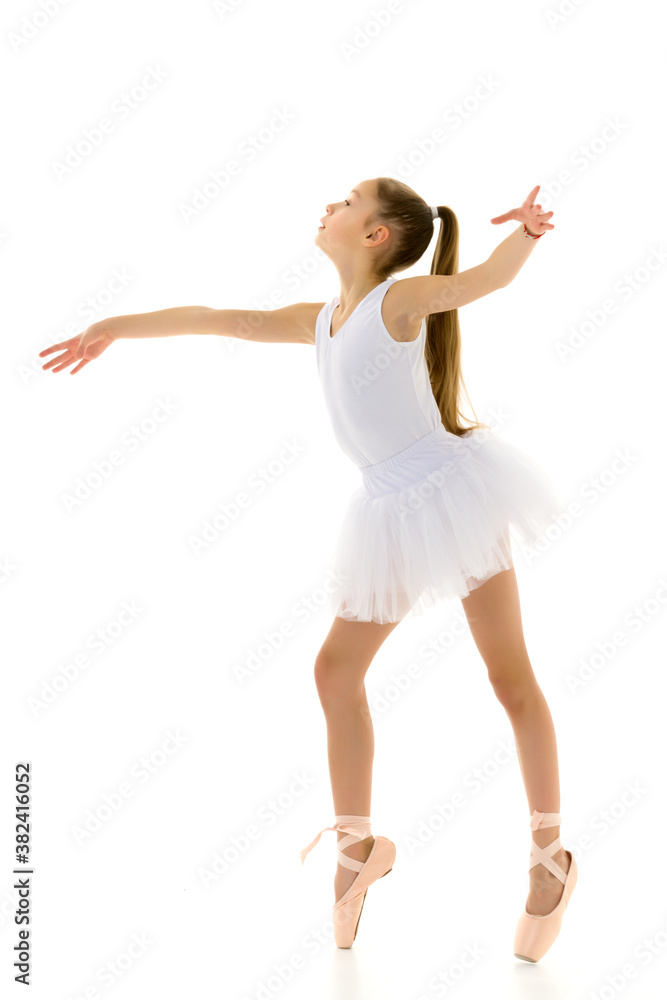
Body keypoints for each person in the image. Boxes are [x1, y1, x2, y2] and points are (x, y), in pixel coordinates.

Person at [40, 176, 578, 961]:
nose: (330, 203)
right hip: (389, 510)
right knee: (334, 671)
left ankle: (546, 857)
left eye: (349, 200)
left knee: (508, 679)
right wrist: (111, 325)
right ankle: (357, 848)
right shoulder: (322, 321)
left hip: (451, 492)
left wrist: (525, 234)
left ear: (375, 237)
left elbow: (480, 283)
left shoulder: (399, 302)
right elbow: (216, 317)